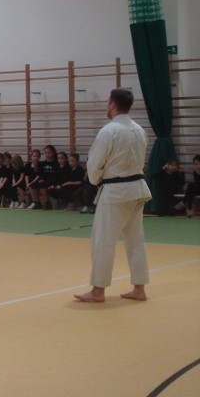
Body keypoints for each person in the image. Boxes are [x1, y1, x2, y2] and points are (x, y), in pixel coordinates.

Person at [74, 88, 151, 303]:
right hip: (137, 189)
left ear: (112, 104)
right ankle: (139, 288)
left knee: (103, 242)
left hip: (116, 192)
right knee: (135, 240)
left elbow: (94, 164)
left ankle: (98, 291)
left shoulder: (109, 131)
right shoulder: (139, 130)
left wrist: (95, 179)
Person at [39, 144, 59, 209]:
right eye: (46, 153)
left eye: (49, 152)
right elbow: (41, 174)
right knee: (38, 184)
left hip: (54, 181)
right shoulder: (42, 164)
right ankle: (46, 203)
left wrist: (54, 184)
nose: (47, 154)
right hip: (46, 181)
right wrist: (41, 179)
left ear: (53, 153)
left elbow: (57, 175)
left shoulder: (57, 163)